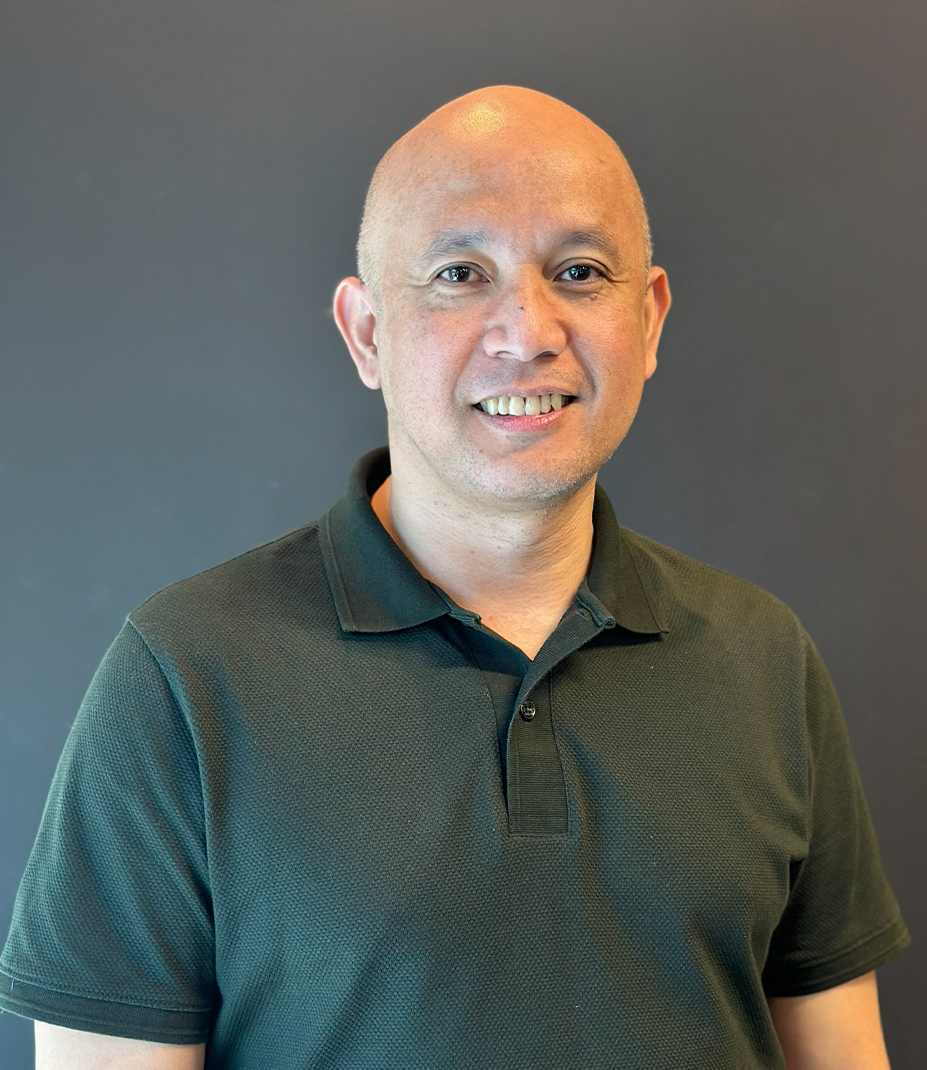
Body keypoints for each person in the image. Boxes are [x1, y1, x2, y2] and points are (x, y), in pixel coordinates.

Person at [0, 87, 909, 1070]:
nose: (527, 330)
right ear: (367, 332)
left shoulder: (762, 657)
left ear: (646, 320)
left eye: (579, 271)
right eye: (460, 274)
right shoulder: (184, 677)